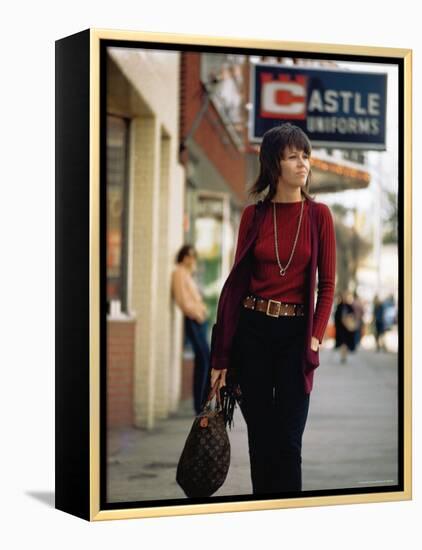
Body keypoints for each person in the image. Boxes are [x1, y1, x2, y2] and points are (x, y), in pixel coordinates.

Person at [209, 123, 336, 495]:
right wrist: (222, 355)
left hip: (295, 337)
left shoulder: (319, 216)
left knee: (288, 442)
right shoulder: (254, 216)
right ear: (273, 164)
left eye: (306, 155)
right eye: (293, 156)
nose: (303, 163)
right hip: (253, 334)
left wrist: (314, 337)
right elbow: (235, 288)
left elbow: (327, 285)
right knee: (262, 441)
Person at [172, 245, 210, 415]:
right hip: (192, 319)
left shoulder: (187, 273)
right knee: (203, 357)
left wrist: (202, 310)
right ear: (184, 256)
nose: (193, 259)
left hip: (198, 319)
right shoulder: (179, 273)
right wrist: (197, 313)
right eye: (191, 256)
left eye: (195, 256)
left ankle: (201, 402)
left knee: (204, 359)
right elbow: (182, 300)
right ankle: (199, 404)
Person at [334, 290, 357, 363]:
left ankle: (344, 355)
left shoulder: (349, 306)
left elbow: (353, 316)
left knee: (346, 343)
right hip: (341, 328)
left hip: (347, 329)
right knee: (342, 342)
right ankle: (343, 356)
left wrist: (349, 319)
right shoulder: (339, 306)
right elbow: (336, 317)